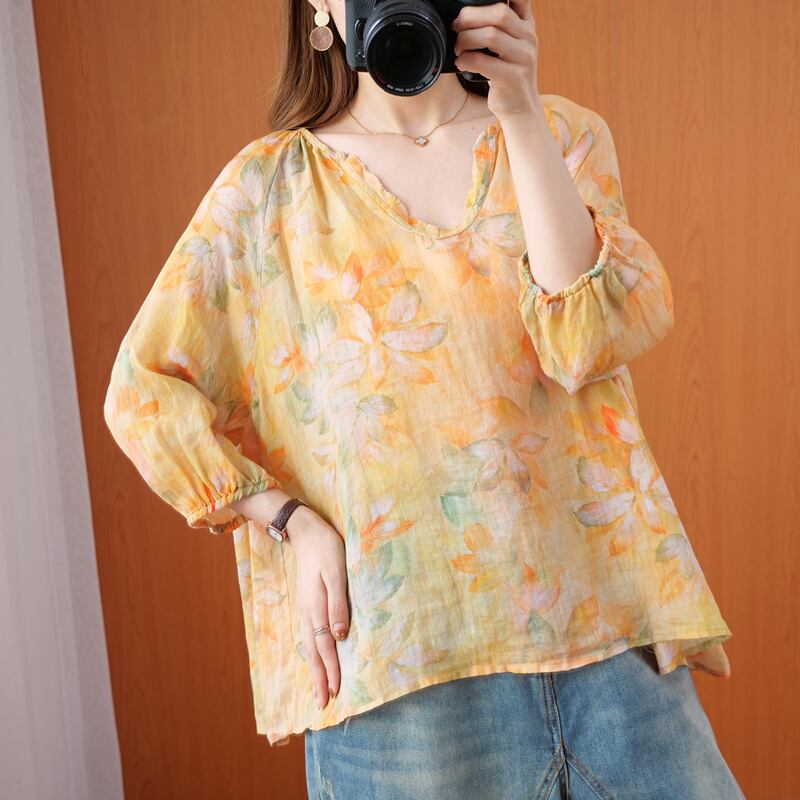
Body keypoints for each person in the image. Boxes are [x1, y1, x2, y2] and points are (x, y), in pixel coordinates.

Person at [103, 0, 746, 796]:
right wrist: (286, 520)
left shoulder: (560, 134)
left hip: (610, 634)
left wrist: (519, 110)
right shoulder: (268, 190)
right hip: (403, 669)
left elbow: (586, 342)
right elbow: (143, 392)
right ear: (318, 10)